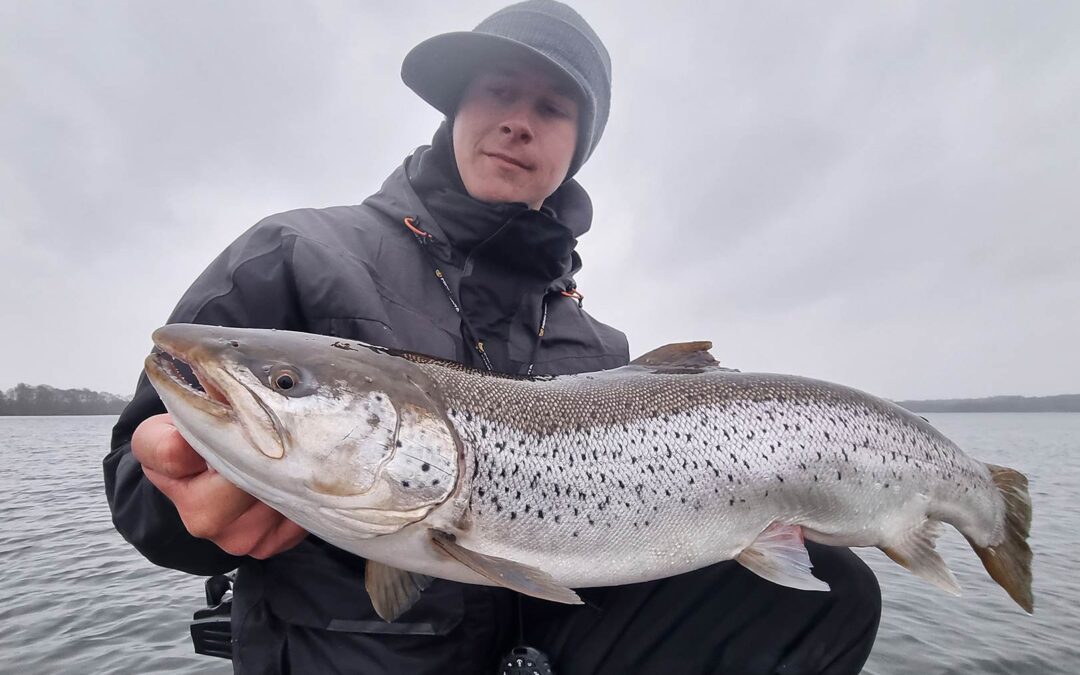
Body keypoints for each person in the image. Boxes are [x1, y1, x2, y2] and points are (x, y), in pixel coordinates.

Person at [104, 2, 881, 673]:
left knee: (837, 590)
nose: (518, 119)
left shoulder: (602, 347)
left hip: (553, 649)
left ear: (578, 145)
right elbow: (138, 486)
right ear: (456, 112)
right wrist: (186, 503)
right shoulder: (295, 254)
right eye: (498, 92)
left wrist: (751, 510)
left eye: (551, 107)